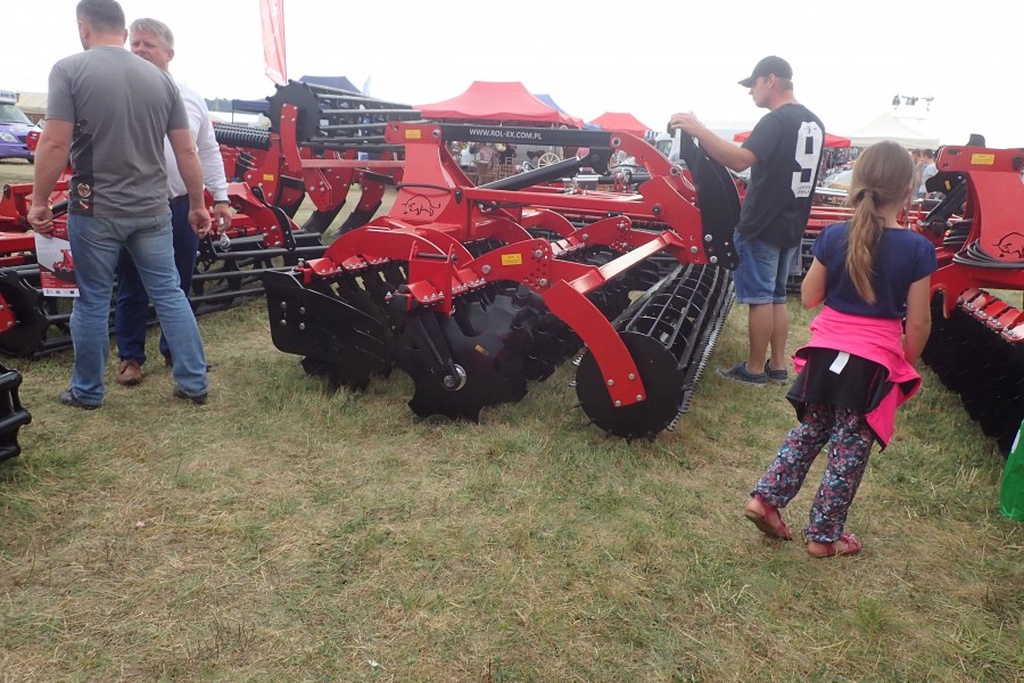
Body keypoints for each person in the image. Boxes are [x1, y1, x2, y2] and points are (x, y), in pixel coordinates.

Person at [742, 140, 937, 558]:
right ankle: (824, 537)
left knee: (810, 430)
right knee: (849, 450)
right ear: (908, 190)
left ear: (858, 183)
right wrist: (903, 364)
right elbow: (919, 322)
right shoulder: (917, 249)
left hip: (824, 355)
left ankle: (765, 500)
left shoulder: (833, 236)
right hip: (871, 365)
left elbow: (810, 296)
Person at [27, 0, 211, 409]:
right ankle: (194, 382)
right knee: (170, 293)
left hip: (96, 211)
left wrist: (39, 202)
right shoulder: (162, 80)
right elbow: (187, 151)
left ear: (83, 27)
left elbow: (55, 143)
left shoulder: (69, 70)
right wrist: (198, 204)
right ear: (125, 33)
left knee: (93, 300)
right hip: (153, 210)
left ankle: (87, 391)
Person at [669, 56, 825, 387]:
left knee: (760, 298)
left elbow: (739, 161)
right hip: (791, 223)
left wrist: (699, 130)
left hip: (763, 223)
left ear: (770, 80)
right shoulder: (814, 122)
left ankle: (754, 370)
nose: (750, 91)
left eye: (753, 84)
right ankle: (777, 366)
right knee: (777, 296)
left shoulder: (775, 121)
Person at [113, 17, 233, 386]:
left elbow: (207, 151)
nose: (139, 50)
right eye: (134, 44)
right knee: (132, 285)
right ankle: (130, 357)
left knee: (179, 283)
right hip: (133, 205)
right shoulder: (118, 93)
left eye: (148, 44)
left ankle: (176, 350)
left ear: (169, 53)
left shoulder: (191, 98)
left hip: (180, 206)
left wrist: (221, 198)